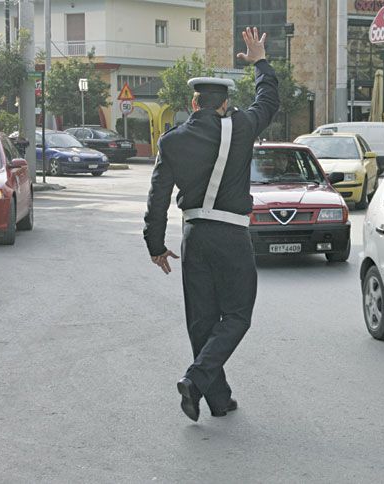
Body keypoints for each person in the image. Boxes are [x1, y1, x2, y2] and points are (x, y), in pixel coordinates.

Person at [143, 27, 279, 422]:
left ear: (194, 102)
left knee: (201, 320)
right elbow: (269, 100)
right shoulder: (242, 127)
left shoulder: (171, 141)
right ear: (225, 105)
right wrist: (259, 61)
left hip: (194, 236)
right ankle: (197, 379)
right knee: (237, 316)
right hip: (233, 235)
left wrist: (155, 245)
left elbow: (157, 198)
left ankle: (217, 399)